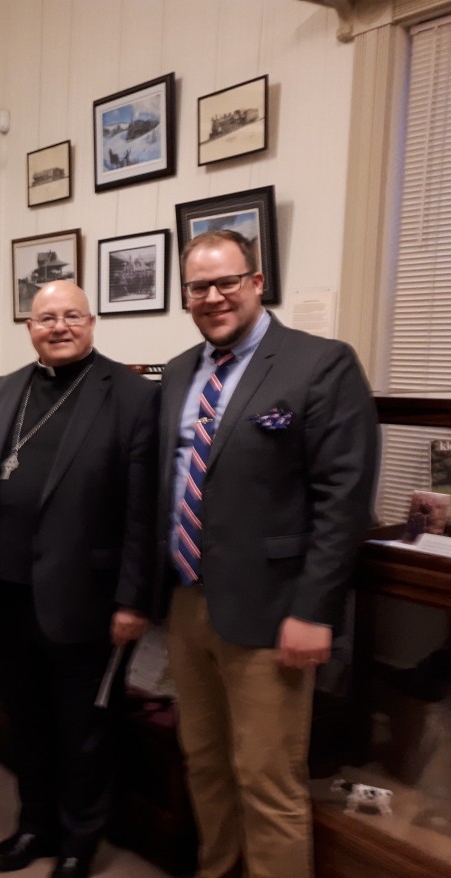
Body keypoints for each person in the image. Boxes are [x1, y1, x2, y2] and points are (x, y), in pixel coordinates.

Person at [157, 230, 379, 878]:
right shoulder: (178, 373)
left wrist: (315, 610)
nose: (214, 296)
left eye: (227, 281)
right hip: (188, 602)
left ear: (257, 283)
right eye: (199, 286)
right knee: (202, 759)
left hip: (273, 612)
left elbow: (344, 501)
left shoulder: (320, 364)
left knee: (268, 778)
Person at [0, 281, 158, 878]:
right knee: (27, 722)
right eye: (46, 318)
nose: (59, 326)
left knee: (83, 730)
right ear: (30, 327)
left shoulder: (129, 393)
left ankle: (80, 841)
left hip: (89, 596)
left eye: (71, 315)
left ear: (92, 321)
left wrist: (133, 598)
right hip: (11, 592)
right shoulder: (9, 389)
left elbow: (141, 509)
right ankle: (34, 827)